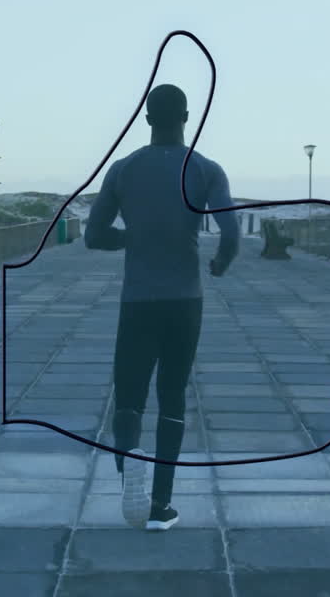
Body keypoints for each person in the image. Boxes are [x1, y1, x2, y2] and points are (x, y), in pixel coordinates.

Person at [84, 83, 239, 530]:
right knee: (172, 394)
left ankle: (130, 462)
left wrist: (132, 238)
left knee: (129, 395)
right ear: (186, 118)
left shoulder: (123, 169)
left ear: (147, 119)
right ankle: (161, 505)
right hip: (184, 300)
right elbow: (230, 234)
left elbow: (94, 236)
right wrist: (221, 264)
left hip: (138, 299)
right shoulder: (205, 169)